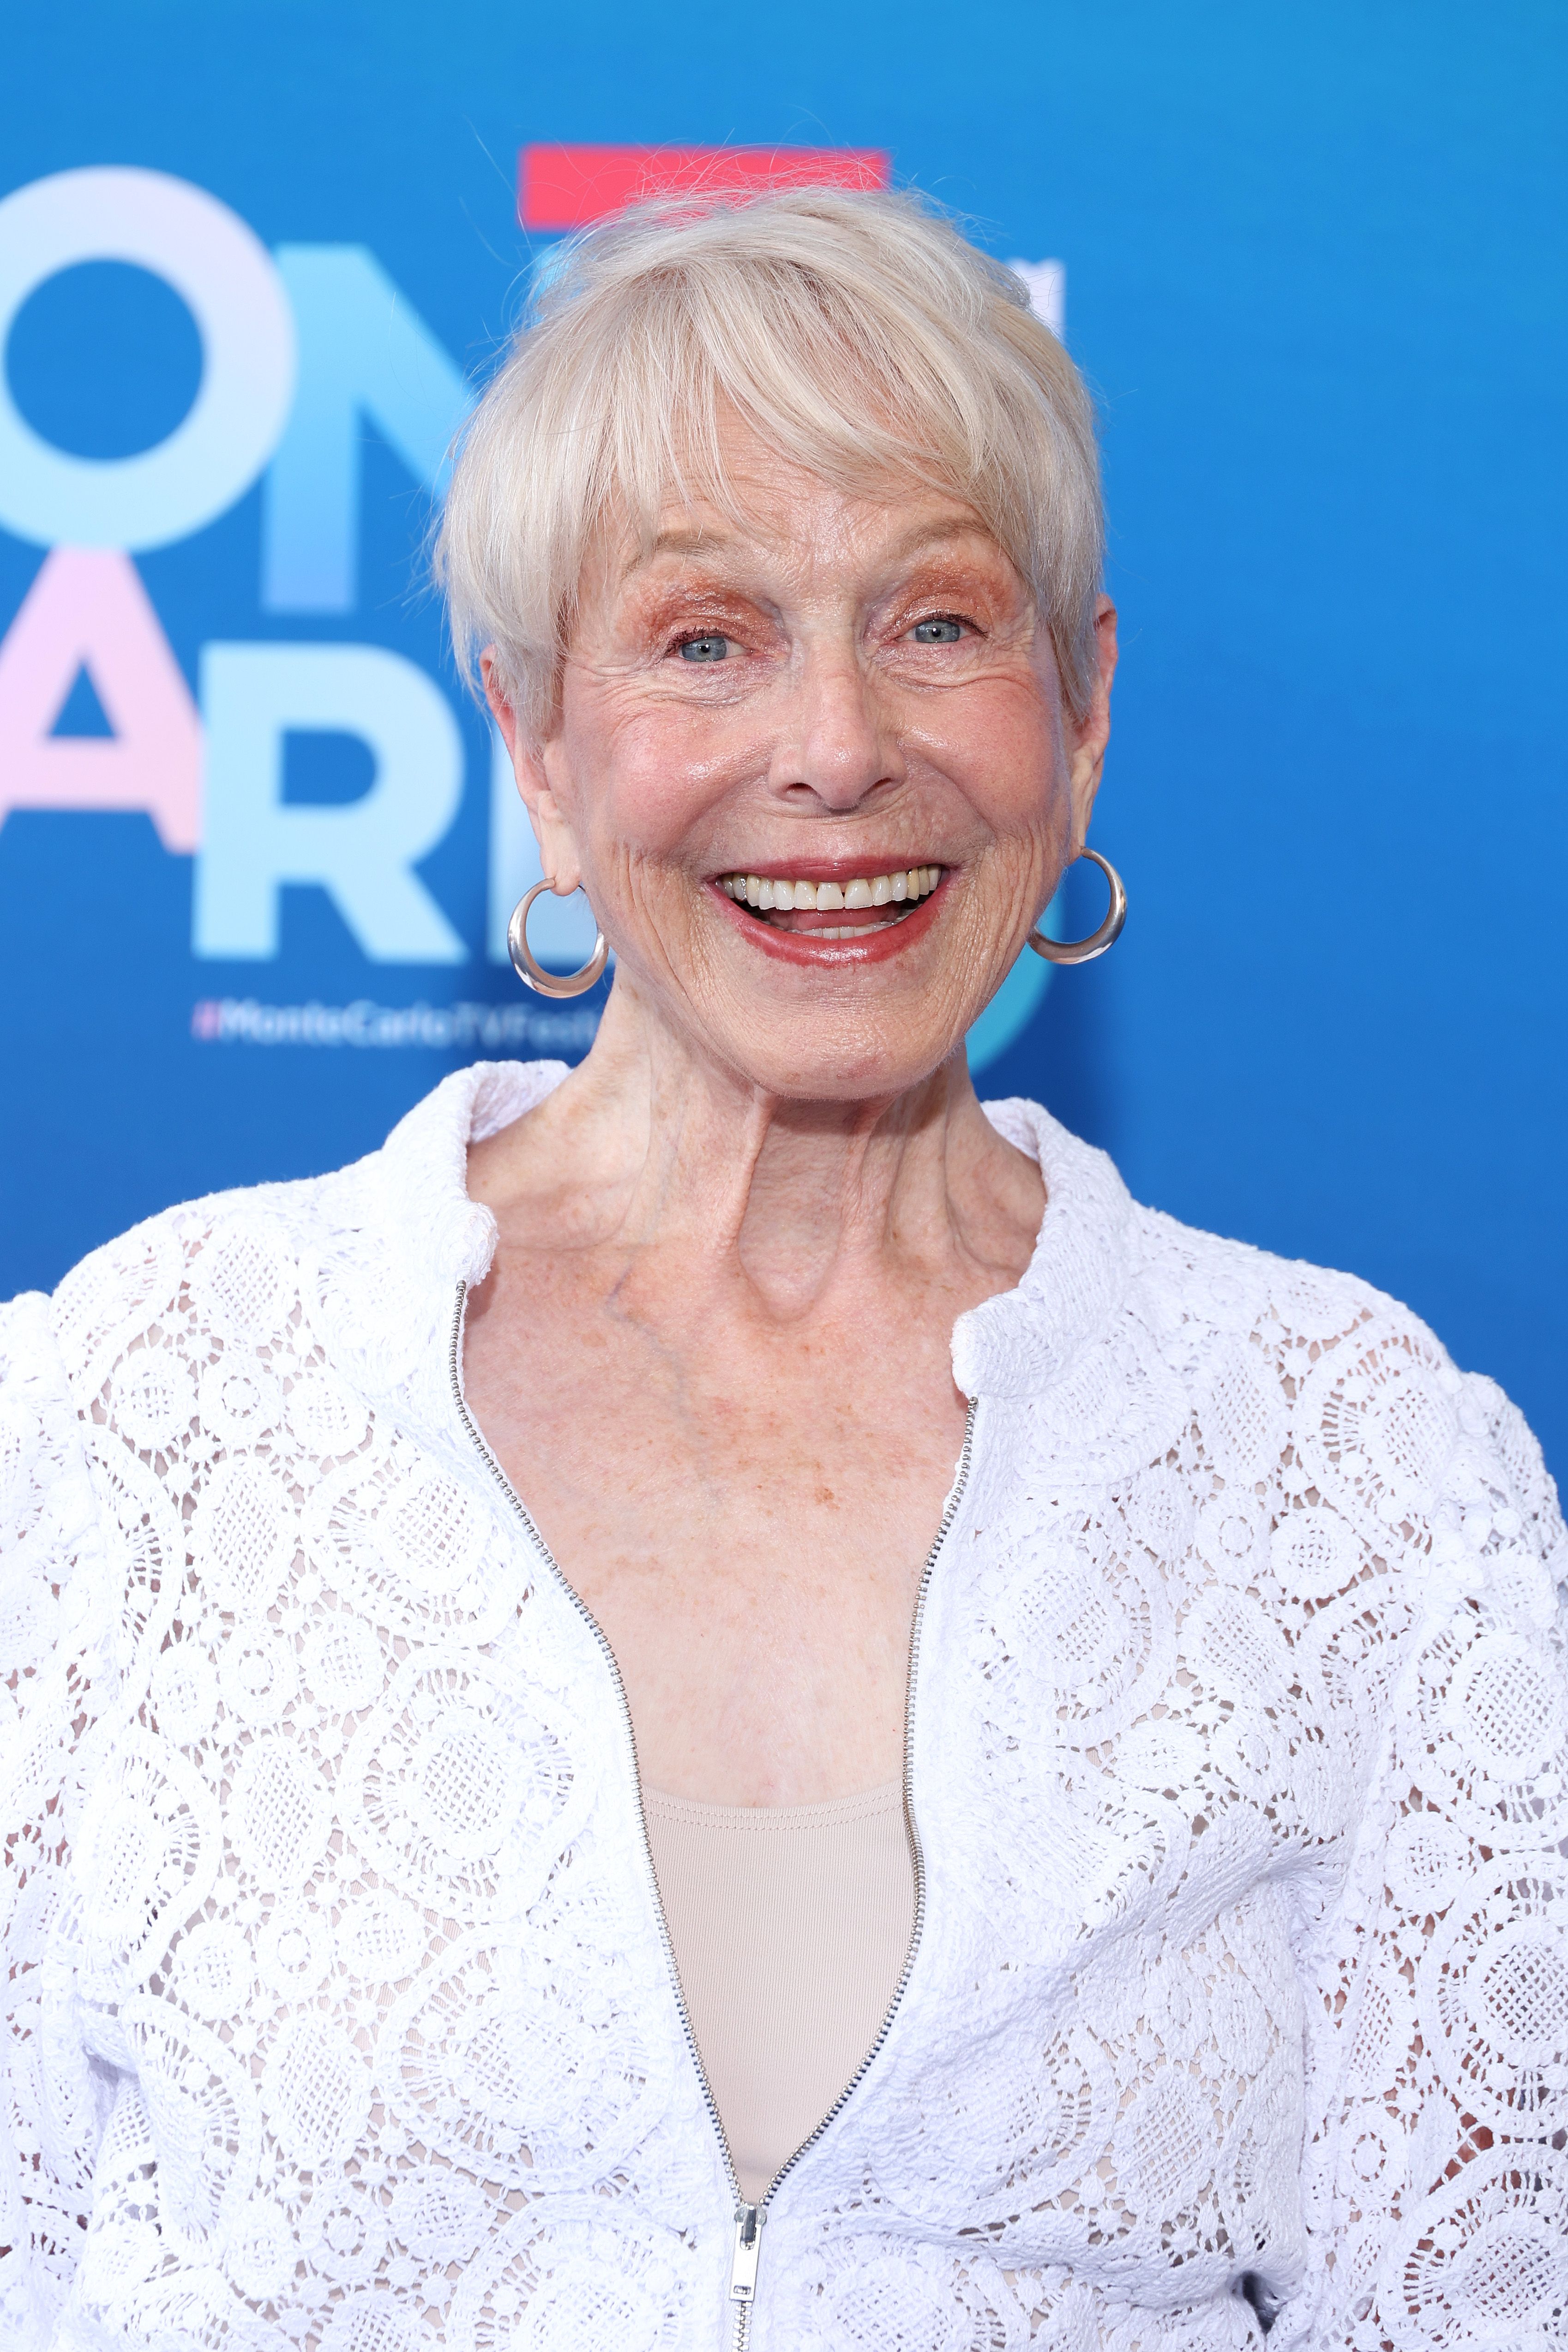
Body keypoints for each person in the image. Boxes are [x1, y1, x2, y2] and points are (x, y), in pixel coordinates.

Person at [2, 186, 1564, 2352]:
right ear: (536, 745)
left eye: (935, 621)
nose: (835, 745)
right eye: (705, 639)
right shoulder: (136, 1405)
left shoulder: (1361, 1471)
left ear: (1081, 708)